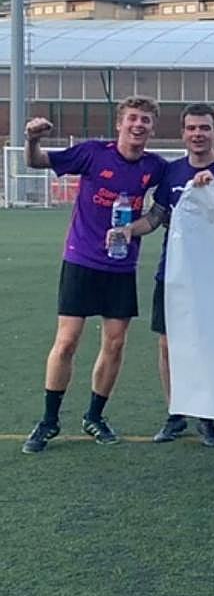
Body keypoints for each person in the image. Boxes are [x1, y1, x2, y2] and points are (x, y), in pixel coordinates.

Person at [21, 97, 169, 454]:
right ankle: (48, 420)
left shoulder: (156, 167)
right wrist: (31, 138)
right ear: (119, 123)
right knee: (68, 340)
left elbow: (158, 213)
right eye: (132, 118)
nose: (138, 125)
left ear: (152, 127)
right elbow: (37, 161)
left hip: (120, 266)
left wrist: (133, 229)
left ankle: (94, 416)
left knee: (115, 342)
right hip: (82, 260)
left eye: (145, 120)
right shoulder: (91, 153)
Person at [106, 102, 214, 448]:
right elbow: (156, 216)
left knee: (210, 345)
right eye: (191, 128)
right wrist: (129, 230)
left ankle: (208, 416)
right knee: (169, 345)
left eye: (205, 128)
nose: (198, 134)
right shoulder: (171, 172)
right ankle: (176, 413)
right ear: (183, 133)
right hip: (173, 274)